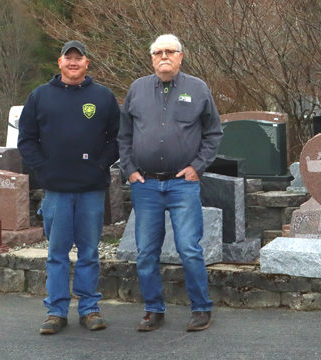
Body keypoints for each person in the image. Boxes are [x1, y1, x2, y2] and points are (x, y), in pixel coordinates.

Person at [118, 34, 222, 332]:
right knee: (146, 253)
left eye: (170, 52)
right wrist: (129, 169)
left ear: (180, 56)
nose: (164, 56)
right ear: (151, 58)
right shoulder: (137, 89)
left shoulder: (198, 89)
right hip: (146, 185)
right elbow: (124, 135)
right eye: (158, 52)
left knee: (189, 249)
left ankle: (201, 308)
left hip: (183, 185)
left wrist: (197, 167)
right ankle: (153, 309)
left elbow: (213, 134)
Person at [18, 40, 120, 335]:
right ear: (59, 62)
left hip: (91, 189)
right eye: (68, 58)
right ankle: (56, 312)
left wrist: (100, 166)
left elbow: (117, 138)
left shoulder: (103, 96)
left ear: (87, 63)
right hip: (57, 190)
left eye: (79, 58)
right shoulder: (39, 96)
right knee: (57, 253)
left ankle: (89, 309)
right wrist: (44, 169)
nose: (73, 62)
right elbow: (26, 140)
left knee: (89, 252)